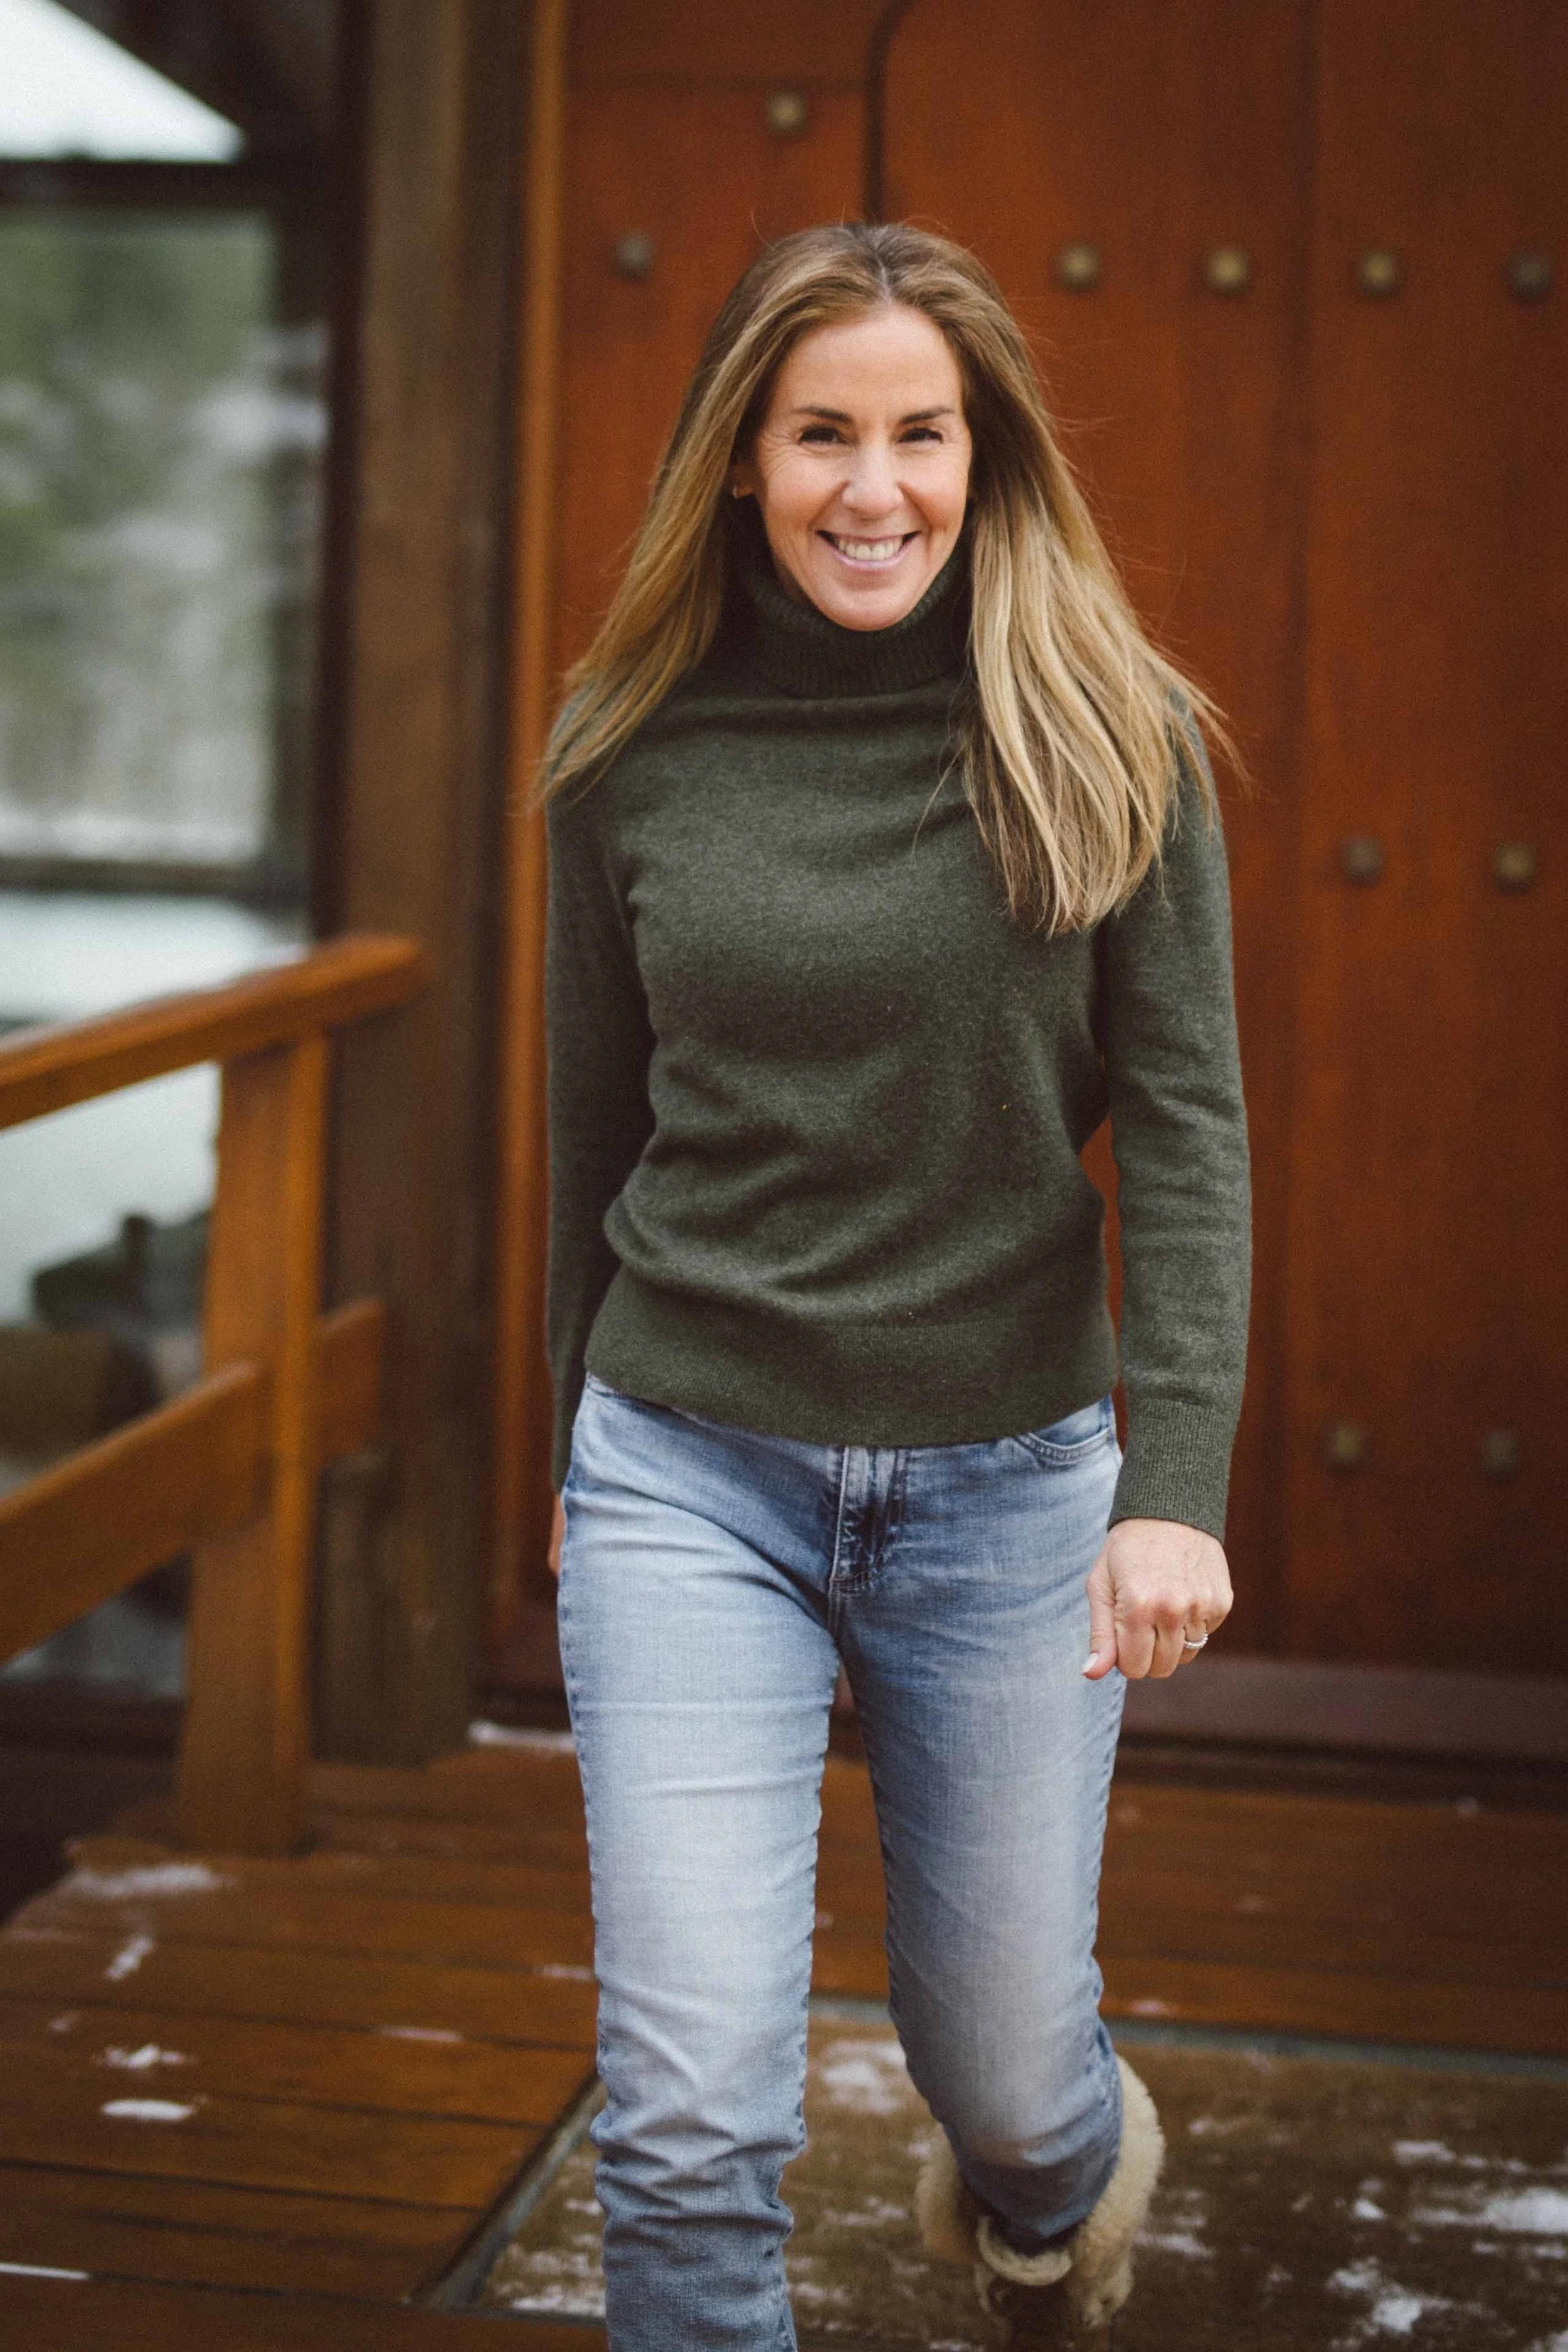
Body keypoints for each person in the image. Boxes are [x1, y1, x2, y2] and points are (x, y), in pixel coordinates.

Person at [539, 221, 1249, 2351]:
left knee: (1012, 2074)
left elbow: (1191, 1130)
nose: (874, 485)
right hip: (687, 1468)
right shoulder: (628, 747)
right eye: (821, 432)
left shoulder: (1107, 733)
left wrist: (1175, 1476)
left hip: (1011, 1487)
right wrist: (575, 1454)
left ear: (984, 452)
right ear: (739, 460)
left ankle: (1053, 2179)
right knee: (684, 2104)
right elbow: (593, 1139)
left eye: (919, 432)